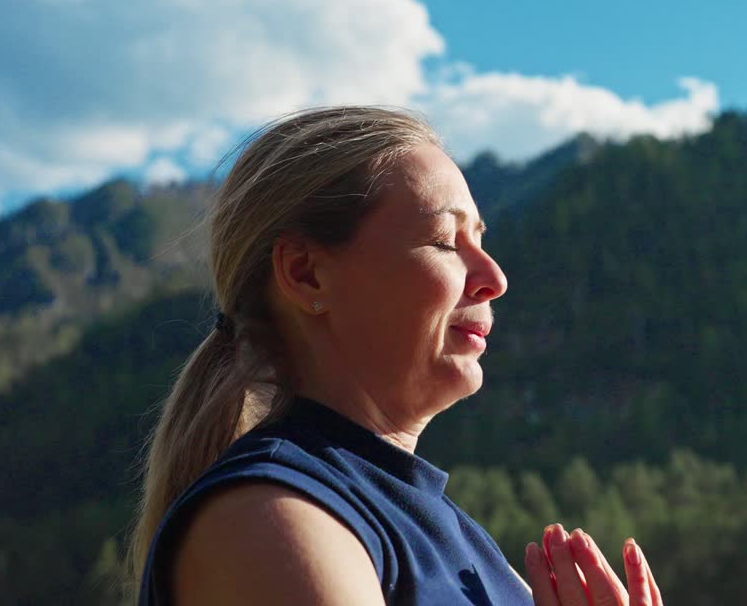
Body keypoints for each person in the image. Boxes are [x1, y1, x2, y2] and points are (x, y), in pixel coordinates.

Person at [130, 106, 664, 605]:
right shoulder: (270, 516)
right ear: (305, 273)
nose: (494, 279)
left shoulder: (444, 533)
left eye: (480, 239)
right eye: (445, 241)